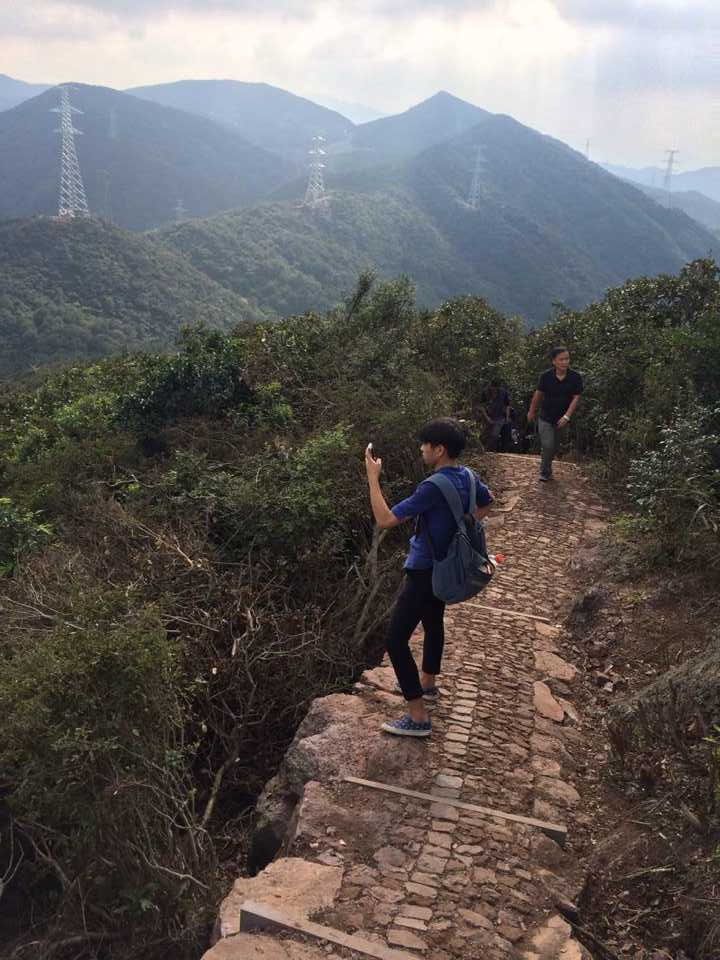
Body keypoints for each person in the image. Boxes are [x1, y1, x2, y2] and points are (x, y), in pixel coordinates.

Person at [364, 418, 493, 737]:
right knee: (434, 623)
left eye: (425, 444)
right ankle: (428, 684)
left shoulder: (432, 487)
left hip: (424, 569)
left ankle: (418, 717)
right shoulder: (469, 476)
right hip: (446, 567)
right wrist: (458, 532)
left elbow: (385, 519)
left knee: (395, 640)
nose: (421, 449)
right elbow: (487, 504)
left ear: (440, 450)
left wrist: (372, 477)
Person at [527, 346, 583, 481]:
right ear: (554, 361)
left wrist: (567, 416)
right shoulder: (546, 376)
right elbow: (538, 394)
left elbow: (576, 397)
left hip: (562, 418)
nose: (565, 362)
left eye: (567, 359)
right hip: (545, 416)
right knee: (547, 445)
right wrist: (531, 411)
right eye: (561, 359)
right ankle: (544, 472)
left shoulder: (575, 377)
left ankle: (547, 466)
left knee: (554, 447)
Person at [478, 381, 512, 452]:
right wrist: (487, 418)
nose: (494, 390)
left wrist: (507, 417)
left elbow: (507, 405)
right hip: (487, 416)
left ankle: (491, 451)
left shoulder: (503, 393)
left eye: (496, 388)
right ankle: (482, 449)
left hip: (499, 417)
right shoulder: (485, 393)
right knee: (484, 435)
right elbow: (481, 406)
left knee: (495, 435)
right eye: (493, 388)